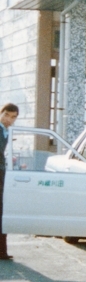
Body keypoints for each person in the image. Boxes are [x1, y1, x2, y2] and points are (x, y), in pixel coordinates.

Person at [0, 102, 20, 260]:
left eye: (13, 117)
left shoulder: (6, 131)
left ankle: (2, 251)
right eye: (6, 115)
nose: (9, 119)